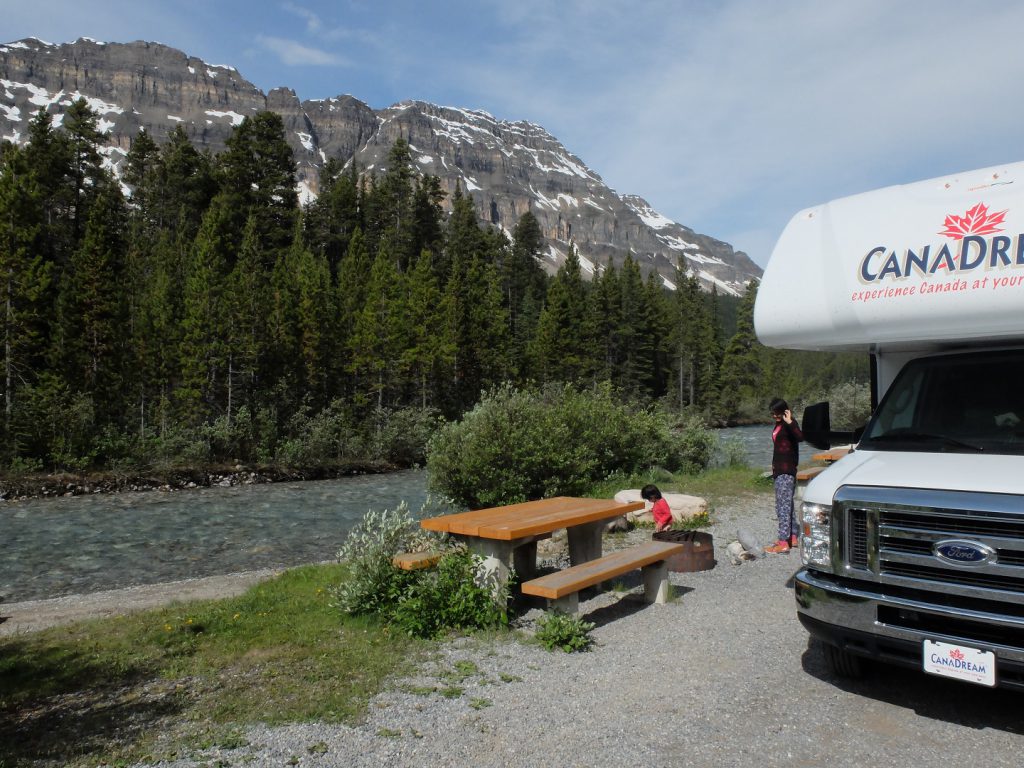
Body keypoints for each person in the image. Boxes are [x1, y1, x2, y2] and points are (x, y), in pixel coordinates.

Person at [766, 398, 804, 553]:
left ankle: (783, 543)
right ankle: (792, 537)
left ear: (785, 411)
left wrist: (790, 421)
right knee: (788, 504)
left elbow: (800, 438)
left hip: (786, 471)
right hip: (780, 469)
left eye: (777, 414)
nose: (775, 416)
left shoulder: (789, 424)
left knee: (782, 506)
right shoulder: (779, 425)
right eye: (773, 414)